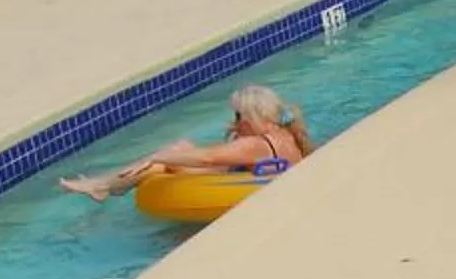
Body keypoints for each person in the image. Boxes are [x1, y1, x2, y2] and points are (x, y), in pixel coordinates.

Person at [61, 83, 312, 203]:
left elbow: (207, 159)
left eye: (237, 116)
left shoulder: (257, 144)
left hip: (256, 191)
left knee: (160, 163)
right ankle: (106, 184)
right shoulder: (285, 133)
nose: (235, 122)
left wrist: (157, 156)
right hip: (263, 180)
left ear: (249, 117)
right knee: (181, 148)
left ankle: (103, 185)